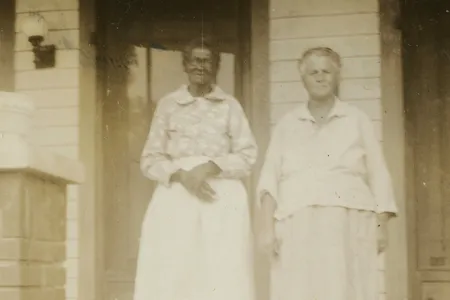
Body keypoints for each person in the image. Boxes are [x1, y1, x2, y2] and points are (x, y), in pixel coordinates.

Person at [256, 47, 398, 300]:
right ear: (303, 79)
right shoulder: (288, 124)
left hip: (349, 220)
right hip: (298, 222)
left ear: (337, 76)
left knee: (347, 289)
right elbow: (269, 178)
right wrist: (267, 228)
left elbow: (379, 173)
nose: (320, 77)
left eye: (326, 71)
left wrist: (381, 225)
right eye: (313, 72)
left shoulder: (356, 119)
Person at [133, 37, 258, 300]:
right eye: (195, 60)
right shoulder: (169, 104)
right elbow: (150, 159)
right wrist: (182, 175)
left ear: (216, 66)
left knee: (220, 270)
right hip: (177, 197)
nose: (201, 66)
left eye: (207, 61)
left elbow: (247, 155)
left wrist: (211, 167)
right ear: (185, 65)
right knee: (177, 270)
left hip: (221, 199)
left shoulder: (229, 106)